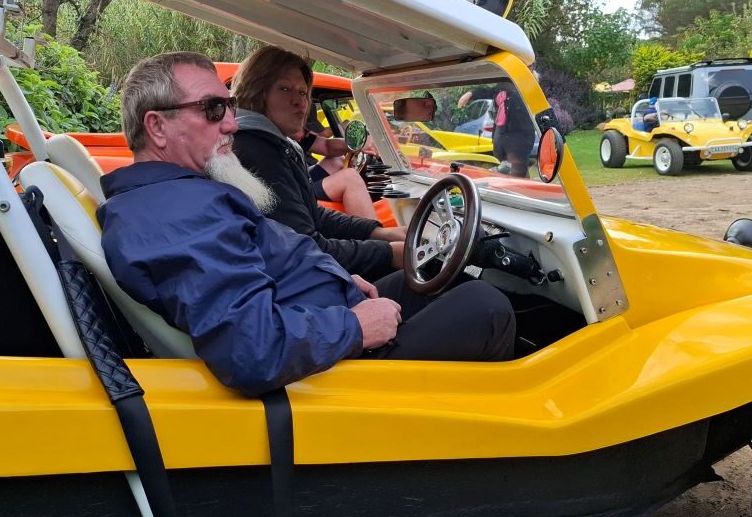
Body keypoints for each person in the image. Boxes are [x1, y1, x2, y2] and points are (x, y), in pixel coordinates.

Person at [99, 51, 515, 397]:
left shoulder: (179, 194)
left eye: (227, 104)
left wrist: (337, 276)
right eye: (213, 110)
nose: (230, 123)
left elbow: (263, 264)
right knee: (487, 306)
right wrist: (355, 325)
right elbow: (252, 348)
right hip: (323, 374)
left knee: (433, 280)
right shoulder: (177, 214)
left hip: (314, 318)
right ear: (157, 126)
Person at [230, 46, 404, 279]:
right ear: (256, 91)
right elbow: (303, 251)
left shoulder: (278, 143)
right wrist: (388, 253)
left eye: (303, 93)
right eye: (284, 89)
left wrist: (380, 234)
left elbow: (314, 215)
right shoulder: (257, 151)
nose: (299, 102)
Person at [458, 80, 536, 178]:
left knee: (517, 171)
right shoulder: (502, 87)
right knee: (502, 168)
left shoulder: (525, 89)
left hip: (518, 137)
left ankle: (521, 188)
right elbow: (489, 91)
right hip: (501, 134)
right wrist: (471, 94)